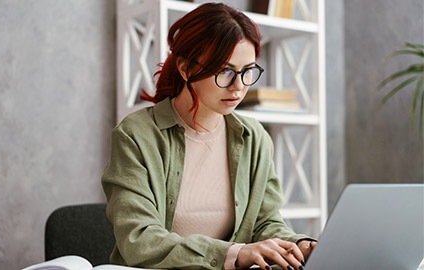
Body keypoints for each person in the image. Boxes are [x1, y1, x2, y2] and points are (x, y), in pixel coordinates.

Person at [102, 3, 316, 270]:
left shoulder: (255, 138)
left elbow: (265, 223)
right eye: (225, 72)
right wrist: (236, 254)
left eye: (248, 71)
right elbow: (139, 240)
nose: (239, 87)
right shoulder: (136, 135)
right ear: (185, 68)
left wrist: (300, 244)